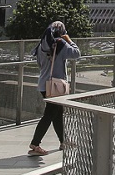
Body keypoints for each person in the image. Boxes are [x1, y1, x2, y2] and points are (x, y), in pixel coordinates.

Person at [28, 21, 80, 156]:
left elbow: (39, 63)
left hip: (44, 84)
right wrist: (69, 39)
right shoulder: (60, 44)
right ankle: (35, 143)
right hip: (55, 86)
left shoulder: (41, 45)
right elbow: (76, 53)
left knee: (58, 113)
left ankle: (63, 141)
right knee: (50, 114)